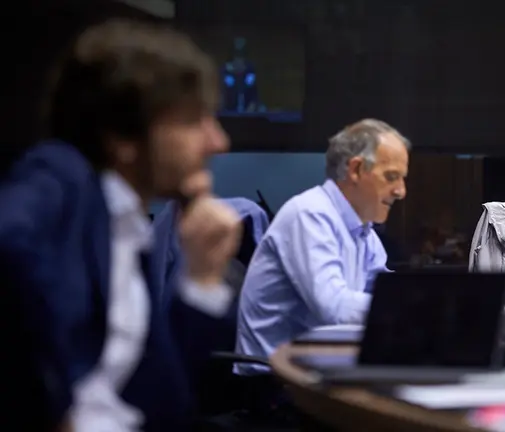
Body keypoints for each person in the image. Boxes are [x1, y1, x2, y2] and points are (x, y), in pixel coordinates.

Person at [0, 19, 242, 431]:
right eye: (192, 121)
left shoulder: (127, 225)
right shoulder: (63, 174)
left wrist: (201, 280)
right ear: (122, 136)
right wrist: (59, 410)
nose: (218, 142)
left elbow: (166, 404)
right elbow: (7, 241)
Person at [235, 118, 410, 374]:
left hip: (317, 368)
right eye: (391, 177)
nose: (401, 191)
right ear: (356, 170)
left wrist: (415, 303)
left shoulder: (365, 233)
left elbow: (385, 291)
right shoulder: (309, 215)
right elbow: (333, 307)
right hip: (272, 381)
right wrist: (406, 309)